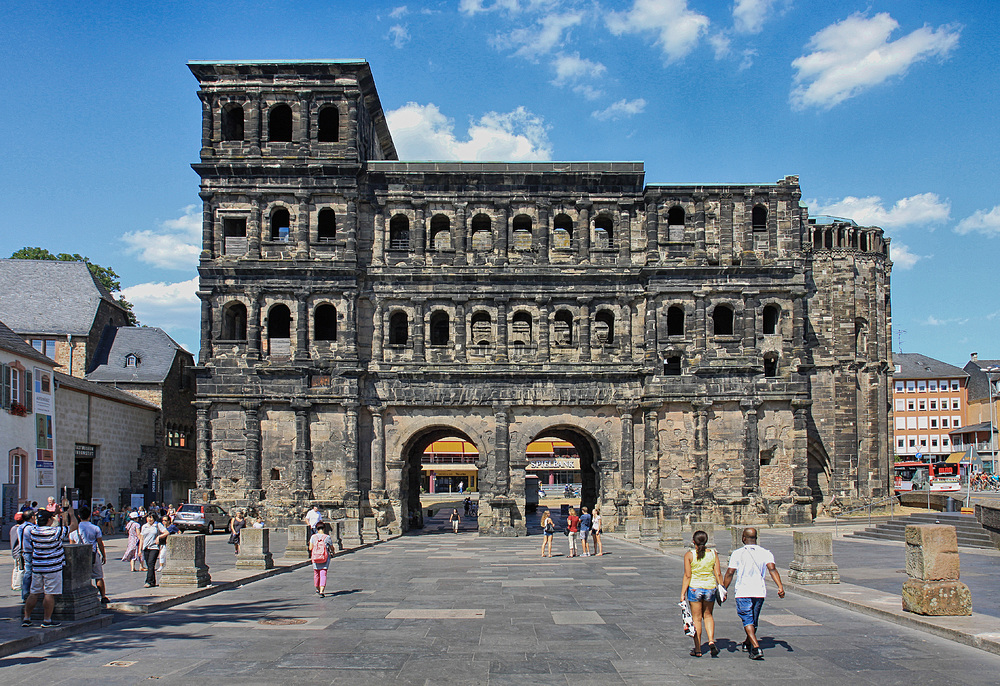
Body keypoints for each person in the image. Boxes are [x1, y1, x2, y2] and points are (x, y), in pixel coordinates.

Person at [723, 527, 785, 660]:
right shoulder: (766, 553)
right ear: (756, 538)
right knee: (753, 620)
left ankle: (756, 648)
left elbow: (730, 572)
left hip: (743, 591)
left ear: (743, 538)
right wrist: (780, 586)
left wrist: (724, 588)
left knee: (748, 619)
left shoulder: (737, 553)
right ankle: (747, 642)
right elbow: (772, 569)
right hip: (759, 591)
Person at [22, 507, 75, 628]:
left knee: (34, 593)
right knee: (49, 594)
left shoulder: (33, 531)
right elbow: (73, 526)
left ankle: (27, 618)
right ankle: (47, 620)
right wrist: (71, 514)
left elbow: (40, 522)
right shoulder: (55, 532)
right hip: (52, 568)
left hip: (38, 567)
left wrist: (52, 513)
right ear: (49, 521)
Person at [681, 530, 724, 657]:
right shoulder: (713, 554)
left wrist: (683, 593)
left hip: (695, 588)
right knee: (709, 616)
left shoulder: (689, 555)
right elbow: (718, 573)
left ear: (693, 541)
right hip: (710, 588)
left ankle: (698, 648)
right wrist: (721, 587)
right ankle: (711, 640)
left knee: (696, 619)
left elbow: (687, 575)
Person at [69, 506, 110, 604]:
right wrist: (103, 555)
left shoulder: (74, 530)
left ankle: (83, 596)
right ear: (90, 515)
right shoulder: (95, 528)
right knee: (98, 576)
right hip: (92, 554)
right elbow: (100, 543)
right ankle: (103, 596)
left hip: (79, 556)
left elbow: (72, 545)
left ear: (79, 516)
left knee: (81, 578)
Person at [138, 512, 168, 588]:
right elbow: (142, 538)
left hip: (154, 547)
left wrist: (159, 537)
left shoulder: (157, 525)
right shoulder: (144, 526)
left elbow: (166, 532)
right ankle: (153, 581)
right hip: (146, 547)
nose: (150, 519)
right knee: (149, 565)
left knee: (151, 564)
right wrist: (139, 549)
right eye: (148, 517)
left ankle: (148, 581)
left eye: (151, 517)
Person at [309, 522, 335, 597]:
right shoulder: (327, 537)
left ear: (316, 529)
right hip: (324, 557)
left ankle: (317, 587)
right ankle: (322, 590)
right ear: (324, 528)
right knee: (323, 573)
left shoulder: (313, 537)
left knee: (316, 573)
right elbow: (331, 547)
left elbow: (310, 548)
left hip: (315, 557)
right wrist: (333, 552)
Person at [16, 509, 37, 604]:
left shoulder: (20, 527)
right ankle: (27, 594)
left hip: (24, 551)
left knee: (27, 572)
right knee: (29, 573)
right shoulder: (30, 528)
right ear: (32, 517)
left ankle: (25, 593)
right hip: (30, 552)